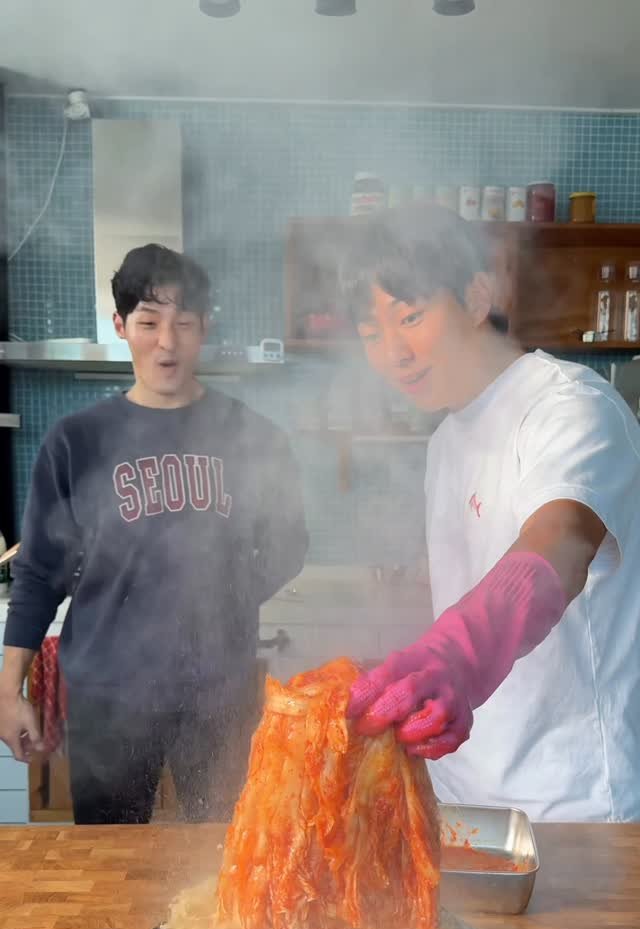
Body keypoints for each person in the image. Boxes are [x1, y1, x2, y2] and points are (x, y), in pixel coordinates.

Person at [343, 204, 640, 822]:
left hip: (570, 806)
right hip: (459, 796)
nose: (394, 353)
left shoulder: (570, 408)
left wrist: (454, 654)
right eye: (373, 334)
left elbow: (559, 545)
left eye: (412, 316)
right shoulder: (444, 440)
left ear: (477, 296)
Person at [0, 244, 308, 824]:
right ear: (120, 326)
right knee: (107, 856)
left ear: (204, 327)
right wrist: (7, 688)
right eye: (148, 322)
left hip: (219, 695)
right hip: (108, 697)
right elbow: (39, 572)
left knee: (224, 856)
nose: (167, 343)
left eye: (184, 323)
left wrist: (229, 595)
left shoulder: (254, 438)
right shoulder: (76, 442)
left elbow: (291, 542)